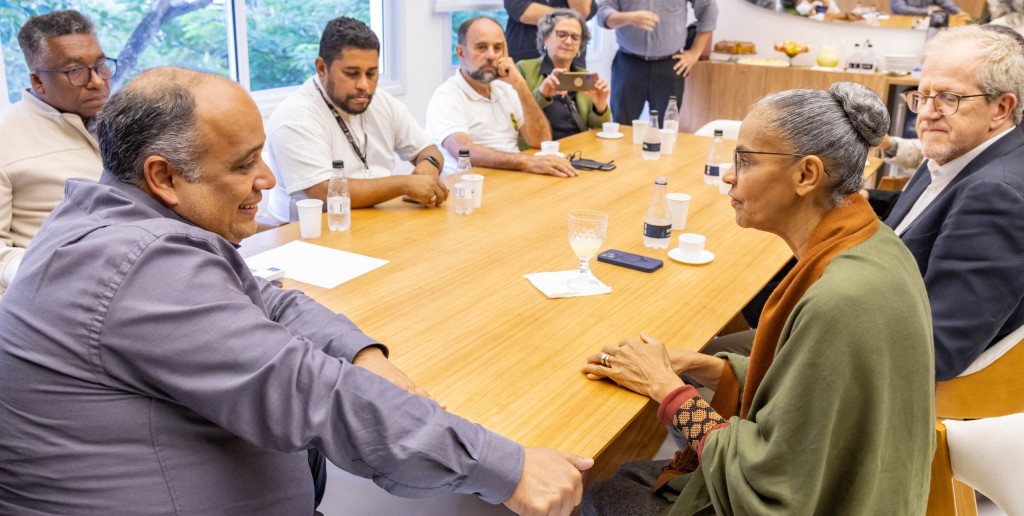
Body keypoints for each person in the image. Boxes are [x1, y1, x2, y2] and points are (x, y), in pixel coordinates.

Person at [0, 67, 593, 514]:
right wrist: (507, 467)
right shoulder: (138, 265)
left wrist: (362, 353)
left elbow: (267, 298)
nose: (268, 179)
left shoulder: (117, 218)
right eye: (244, 164)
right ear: (164, 176)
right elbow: (308, 391)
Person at [578, 83, 935, 515]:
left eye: (745, 161)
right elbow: (808, 397)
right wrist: (707, 366)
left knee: (606, 494)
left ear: (806, 175)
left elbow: (770, 484)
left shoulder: (839, 299)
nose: (729, 175)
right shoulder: (874, 244)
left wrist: (667, 390)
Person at [882, 25, 1024, 380]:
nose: (926, 113)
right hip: (872, 324)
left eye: (948, 97)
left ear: (1001, 108)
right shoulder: (953, 150)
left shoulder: (996, 194)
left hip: (887, 379)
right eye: (922, 96)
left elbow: (937, 348)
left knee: (740, 360)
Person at [265, 17, 447, 222]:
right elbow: (324, 192)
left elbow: (429, 150)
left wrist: (429, 164)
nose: (364, 86)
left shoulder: (382, 102)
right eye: (352, 74)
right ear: (322, 68)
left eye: (372, 74)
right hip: (308, 231)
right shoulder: (295, 116)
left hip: (374, 220)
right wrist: (405, 184)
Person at [0, 10, 109, 295]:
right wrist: (33, 274)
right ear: (38, 82)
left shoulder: (123, 123)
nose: (97, 81)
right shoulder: (6, 138)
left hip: (139, 274)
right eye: (75, 71)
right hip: (58, 295)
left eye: (100, 65)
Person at [426, 16, 577, 178]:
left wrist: (520, 85)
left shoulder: (505, 89)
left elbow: (540, 140)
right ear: (461, 53)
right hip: (471, 184)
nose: (491, 55)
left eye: (497, 48)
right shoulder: (447, 95)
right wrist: (526, 162)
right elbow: (464, 151)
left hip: (513, 178)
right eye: (482, 47)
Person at [595, 0, 718, 127]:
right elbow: (602, 14)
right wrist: (629, 18)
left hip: (670, 66)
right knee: (621, 126)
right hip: (628, 64)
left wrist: (694, 53)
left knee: (666, 128)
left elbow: (708, 9)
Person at [516, 9, 611, 140]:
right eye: (561, 35)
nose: (568, 41)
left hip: (578, 147)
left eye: (575, 38)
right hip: (541, 147)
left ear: (580, 47)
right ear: (546, 39)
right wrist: (542, 94)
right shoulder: (524, 69)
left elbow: (598, 130)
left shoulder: (584, 76)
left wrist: (600, 107)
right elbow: (516, 118)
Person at [504, 0, 597, 63]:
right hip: (525, 56)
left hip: (570, 59)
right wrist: (569, 17)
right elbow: (523, 11)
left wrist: (563, 17)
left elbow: (582, 12)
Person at [890, 0, 964, 15]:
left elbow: (944, 2)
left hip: (926, 20)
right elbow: (900, 8)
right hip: (903, 21)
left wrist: (959, 11)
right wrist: (927, 10)